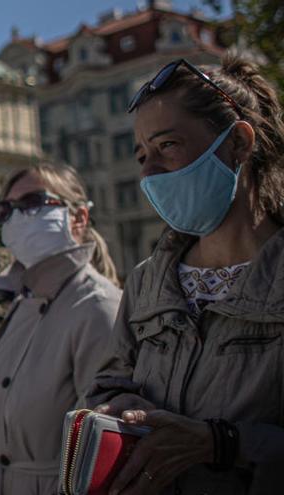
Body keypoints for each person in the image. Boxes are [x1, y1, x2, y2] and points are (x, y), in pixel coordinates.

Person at [87, 55, 284, 495]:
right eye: (141, 155)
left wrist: (221, 444)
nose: (149, 174)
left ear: (238, 143)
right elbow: (106, 386)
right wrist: (122, 409)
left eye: (168, 146)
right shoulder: (148, 280)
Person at [0, 164, 122, 495]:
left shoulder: (98, 307)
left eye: (32, 202)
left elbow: (105, 442)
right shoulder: (22, 302)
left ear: (79, 219)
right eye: (7, 209)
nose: (17, 217)